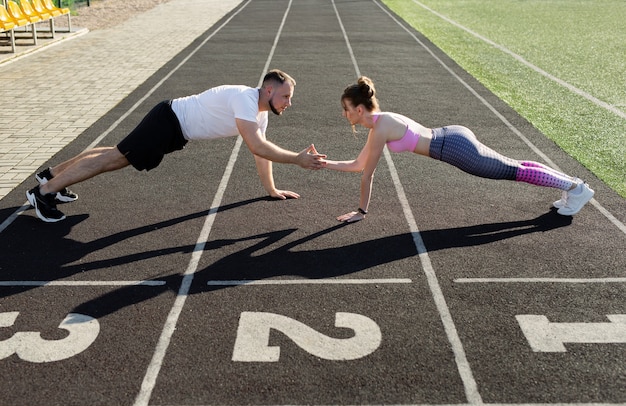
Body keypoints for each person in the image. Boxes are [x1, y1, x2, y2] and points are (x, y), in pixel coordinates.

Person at [26, 69, 326, 223]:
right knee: (115, 159)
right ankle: (43, 193)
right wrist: (297, 160)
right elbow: (259, 147)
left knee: (115, 153)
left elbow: (262, 154)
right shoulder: (246, 100)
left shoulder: (258, 112)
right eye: (286, 97)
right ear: (270, 90)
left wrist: (272, 190)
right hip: (169, 122)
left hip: (172, 125)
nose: (289, 103)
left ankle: (50, 176)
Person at [324, 76, 594, 223]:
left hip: (455, 148)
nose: (344, 114)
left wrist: (361, 211)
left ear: (359, 109)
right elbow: (359, 164)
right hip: (452, 135)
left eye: (346, 109)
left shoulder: (380, 129)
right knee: (515, 165)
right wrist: (324, 163)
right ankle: (573, 186)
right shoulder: (382, 121)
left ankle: (576, 189)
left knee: (513, 171)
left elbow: (366, 174)